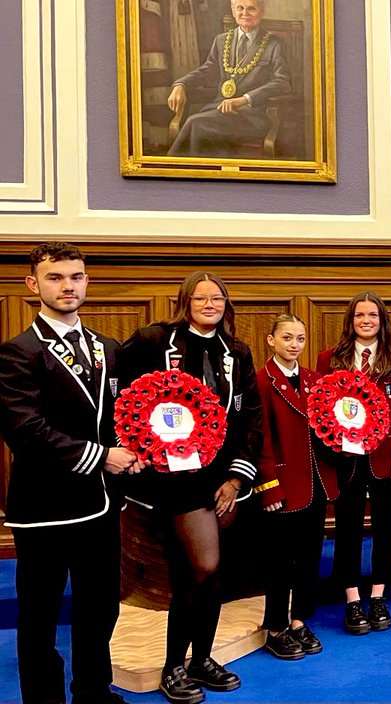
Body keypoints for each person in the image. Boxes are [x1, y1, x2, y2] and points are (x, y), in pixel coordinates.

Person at [0, 243, 140, 704]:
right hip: (46, 507)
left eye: (76, 277)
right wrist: (103, 456)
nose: (67, 286)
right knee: (39, 617)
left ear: (86, 282)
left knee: (99, 608)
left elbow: (121, 417)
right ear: (33, 284)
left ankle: (93, 691)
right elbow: (26, 430)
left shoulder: (107, 347)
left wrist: (137, 448)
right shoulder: (18, 352)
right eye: (55, 277)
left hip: (102, 502)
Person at [121, 271, 263, 703]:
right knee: (199, 568)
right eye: (200, 298)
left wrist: (236, 479)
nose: (209, 305)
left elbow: (251, 420)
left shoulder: (237, 351)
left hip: (222, 479)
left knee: (211, 575)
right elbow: (121, 398)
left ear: (226, 304)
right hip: (173, 479)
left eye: (216, 298)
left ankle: (200, 659)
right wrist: (134, 450)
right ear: (185, 302)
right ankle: (173, 667)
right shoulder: (152, 340)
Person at [317, 292, 391, 635]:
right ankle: (352, 599)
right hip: (346, 459)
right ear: (351, 320)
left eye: (372, 315)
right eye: (360, 315)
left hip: (386, 460)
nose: (366, 321)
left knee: (385, 529)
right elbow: (321, 410)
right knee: (348, 531)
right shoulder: (330, 358)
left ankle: (378, 595)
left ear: (382, 320)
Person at [252, 314, 337, 660]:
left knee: (309, 556)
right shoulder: (261, 381)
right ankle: (275, 627)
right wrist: (268, 486)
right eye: (287, 337)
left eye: (300, 338)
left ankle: (299, 619)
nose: (294, 345)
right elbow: (260, 438)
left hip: (316, 482)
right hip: (282, 485)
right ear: (271, 340)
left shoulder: (315, 380)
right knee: (279, 561)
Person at [166, 0, 291, 157]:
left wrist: (244, 100)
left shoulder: (274, 45)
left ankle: (176, 168)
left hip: (251, 116)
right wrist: (181, 84)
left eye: (251, 8)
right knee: (197, 123)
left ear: (261, 12)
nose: (245, 13)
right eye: (240, 8)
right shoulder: (221, 40)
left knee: (195, 123)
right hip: (218, 110)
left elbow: (282, 82)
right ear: (233, 11)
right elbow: (206, 70)